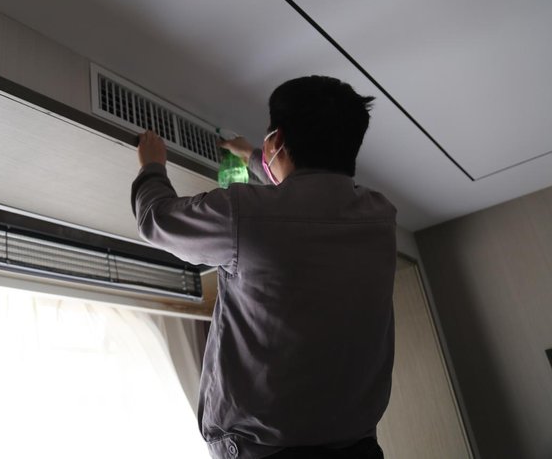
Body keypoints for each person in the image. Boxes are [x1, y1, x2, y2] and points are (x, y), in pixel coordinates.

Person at [131, 76, 396, 459]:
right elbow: (307, 197)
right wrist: (255, 157)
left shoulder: (244, 213)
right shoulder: (380, 217)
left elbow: (156, 220)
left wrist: (153, 164)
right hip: (356, 446)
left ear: (277, 140)